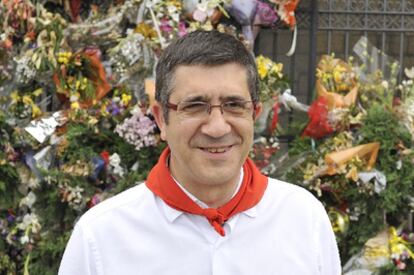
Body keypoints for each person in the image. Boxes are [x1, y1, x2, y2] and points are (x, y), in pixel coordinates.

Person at [59, 30, 341, 275]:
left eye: (233, 104)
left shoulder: (304, 219)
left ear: (254, 114)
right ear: (161, 119)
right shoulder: (100, 237)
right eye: (194, 106)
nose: (218, 127)